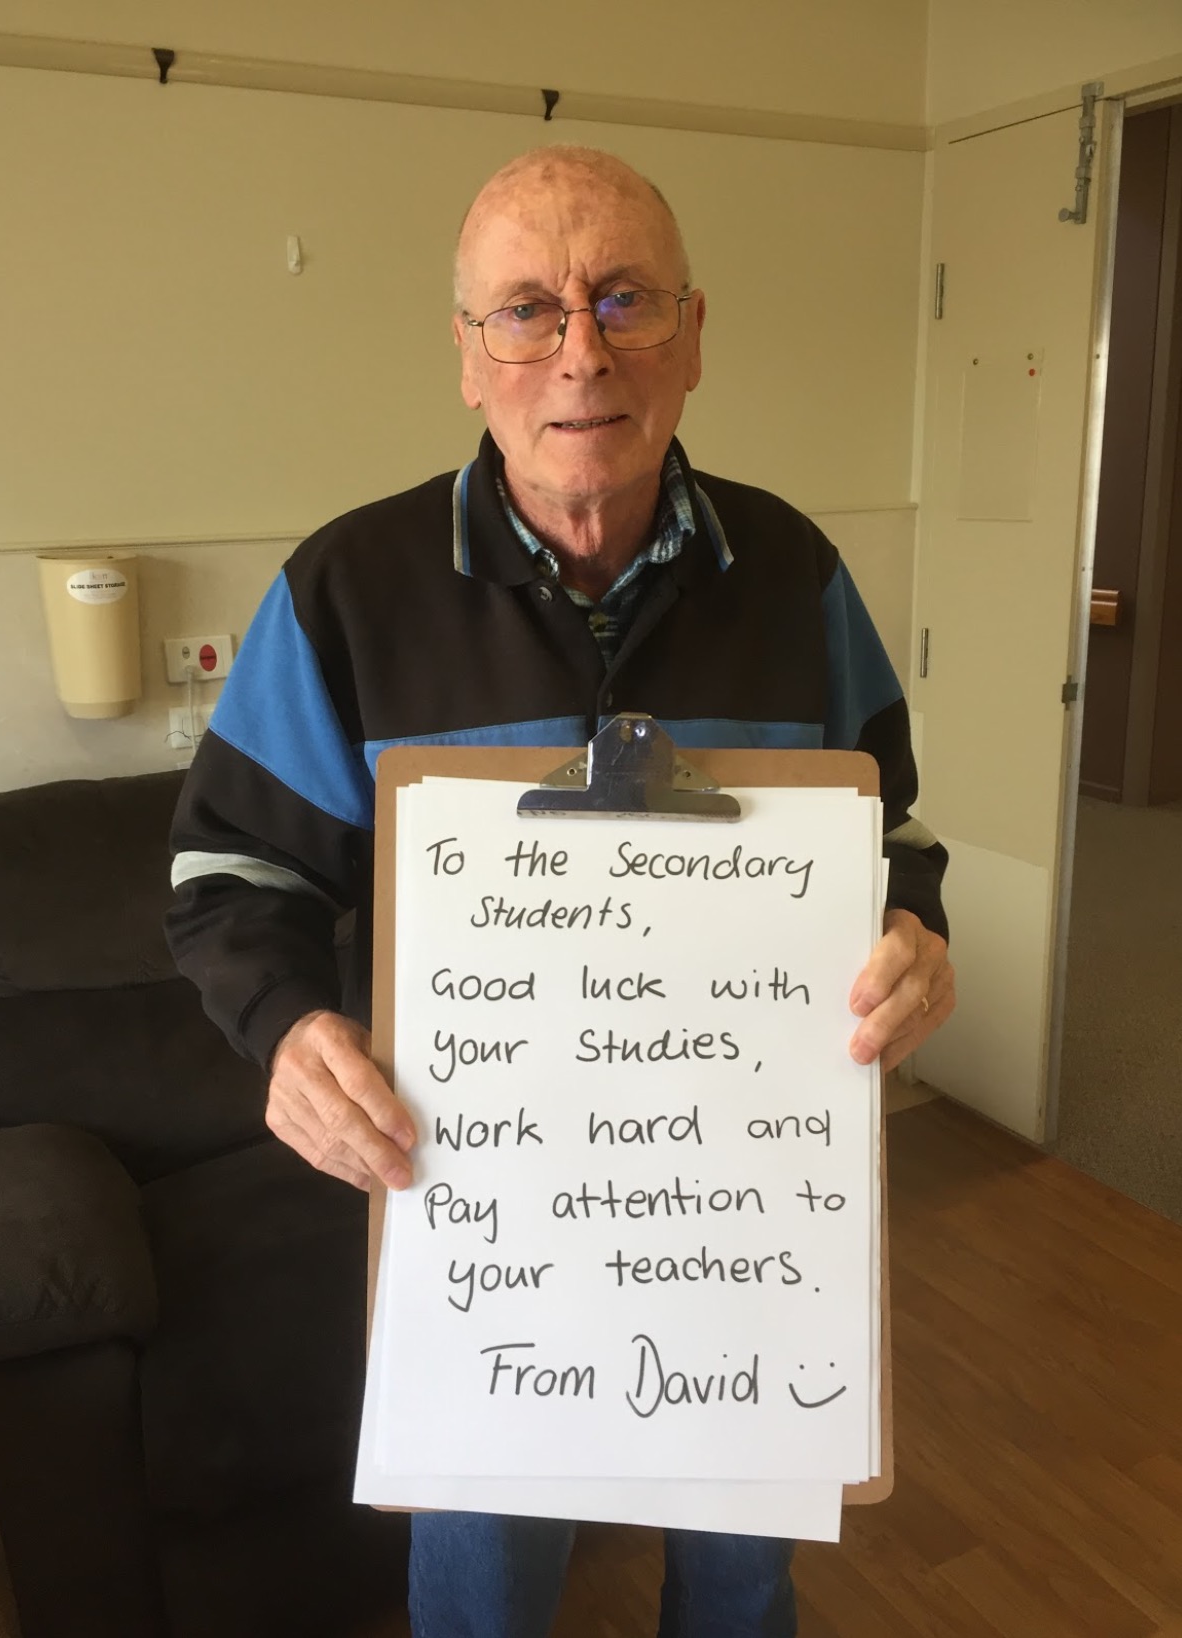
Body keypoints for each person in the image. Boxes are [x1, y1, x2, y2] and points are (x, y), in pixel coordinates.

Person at [167, 144, 955, 1638]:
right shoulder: (346, 592)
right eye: (526, 310)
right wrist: (283, 1029)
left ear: (694, 333)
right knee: (479, 1595)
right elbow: (232, 875)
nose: (581, 351)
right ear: (469, 356)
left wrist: (915, 933)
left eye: (624, 300)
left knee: (740, 1591)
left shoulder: (795, 576)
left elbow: (889, 826)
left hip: (746, 1231)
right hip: (486, 1221)